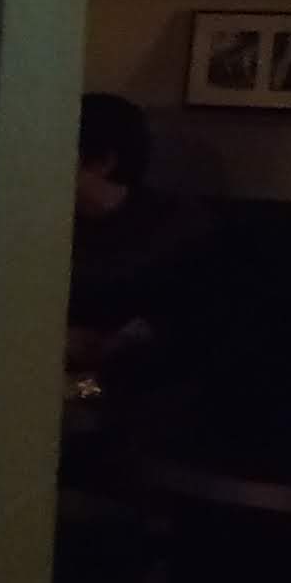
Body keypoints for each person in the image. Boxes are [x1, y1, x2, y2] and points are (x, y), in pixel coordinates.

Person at [67, 91, 207, 378]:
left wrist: (110, 344)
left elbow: (188, 317)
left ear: (103, 162)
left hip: (142, 380)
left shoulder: (175, 225)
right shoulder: (41, 223)